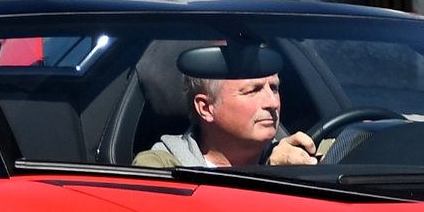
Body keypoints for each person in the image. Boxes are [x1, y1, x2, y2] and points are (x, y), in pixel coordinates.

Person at [133, 44, 319, 168]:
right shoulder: (158, 168)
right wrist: (269, 176)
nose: (272, 102)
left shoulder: (298, 157)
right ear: (206, 108)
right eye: (252, 91)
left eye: (274, 87)